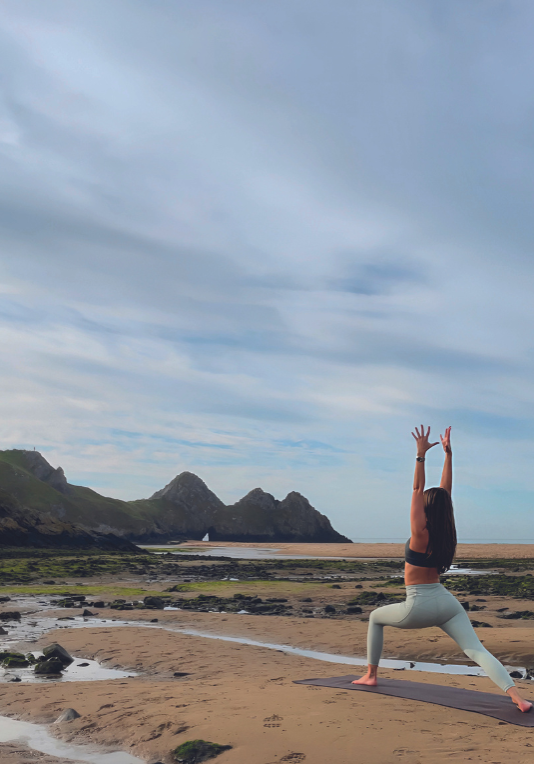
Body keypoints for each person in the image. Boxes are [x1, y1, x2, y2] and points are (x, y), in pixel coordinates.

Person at [352, 425, 532, 713]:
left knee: (375, 617)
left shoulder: (420, 532)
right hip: (447, 603)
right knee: (477, 651)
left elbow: (417, 489)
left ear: (426, 509)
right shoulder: (445, 531)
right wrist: (448, 454)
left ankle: (371, 675)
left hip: (419, 604)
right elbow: (445, 492)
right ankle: (518, 698)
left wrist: (420, 456)